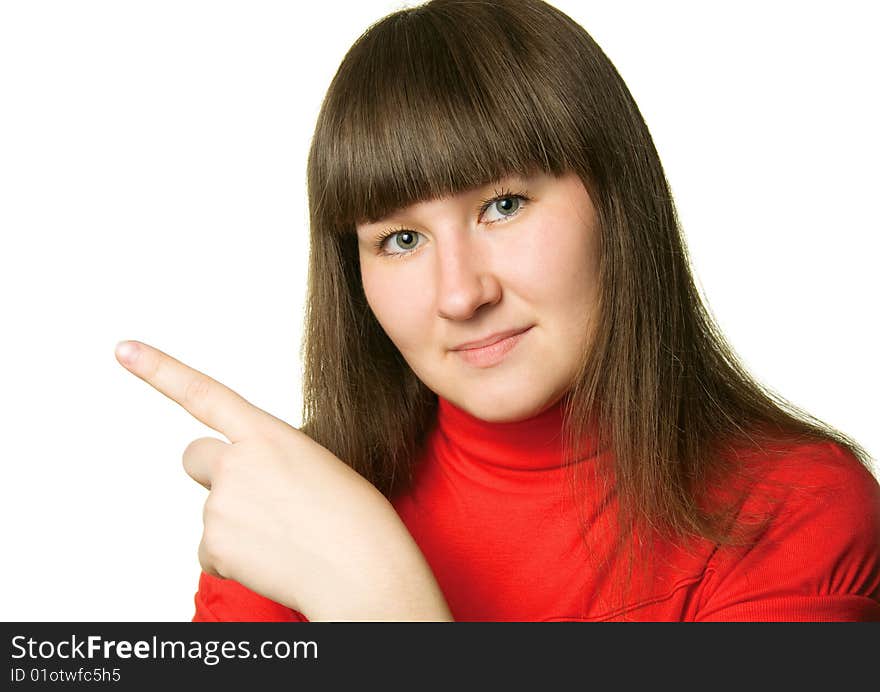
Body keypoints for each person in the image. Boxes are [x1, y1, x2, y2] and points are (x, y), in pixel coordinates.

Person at [119, 0, 879, 621]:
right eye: (401, 239)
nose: (460, 294)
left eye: (503, 205)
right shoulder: (296, 503)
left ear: (620, 203)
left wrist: (381, 607)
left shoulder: (795, 510)